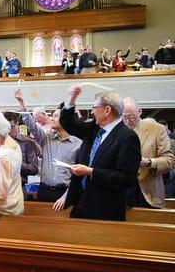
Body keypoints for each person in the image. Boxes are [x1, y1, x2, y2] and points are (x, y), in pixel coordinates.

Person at [59, 86, 141, 221]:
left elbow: (126, 178)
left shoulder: (127, 137)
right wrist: (71, 99)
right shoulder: (94, 128)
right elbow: (69, 124)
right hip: (81, 202)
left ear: (107, 110)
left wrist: (90, 171)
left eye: (94, 108)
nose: (92, 112)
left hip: (105, 208)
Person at [14, 89, 81, 206]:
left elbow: (79, 176)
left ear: (66, 119)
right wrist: (21, 103)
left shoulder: (78, 143)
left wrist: (67, 195)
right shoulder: (46, 138)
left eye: (56, 116)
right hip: (45, 190)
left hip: (66, 191)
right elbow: (32, 125)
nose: (52, 119)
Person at [122, 97, 175, 208]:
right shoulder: (117, 130)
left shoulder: (156, 129)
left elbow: (169, 160)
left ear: (139, 111)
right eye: (124, 117)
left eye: (131, 116)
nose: (127, 121)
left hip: (148, 192)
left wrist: (149, 162)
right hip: (122, 191)